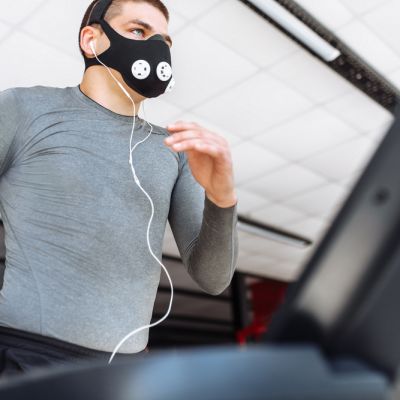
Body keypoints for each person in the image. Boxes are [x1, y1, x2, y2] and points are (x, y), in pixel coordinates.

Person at [0, 0, 239, 380]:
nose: (157, 50)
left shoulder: (175, 150)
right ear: (91, 39)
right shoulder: (23, 109)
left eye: (165, 41)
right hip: (28, 360)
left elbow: (213, 279)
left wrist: (222, 198)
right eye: (139, 31)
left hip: (127, 371)